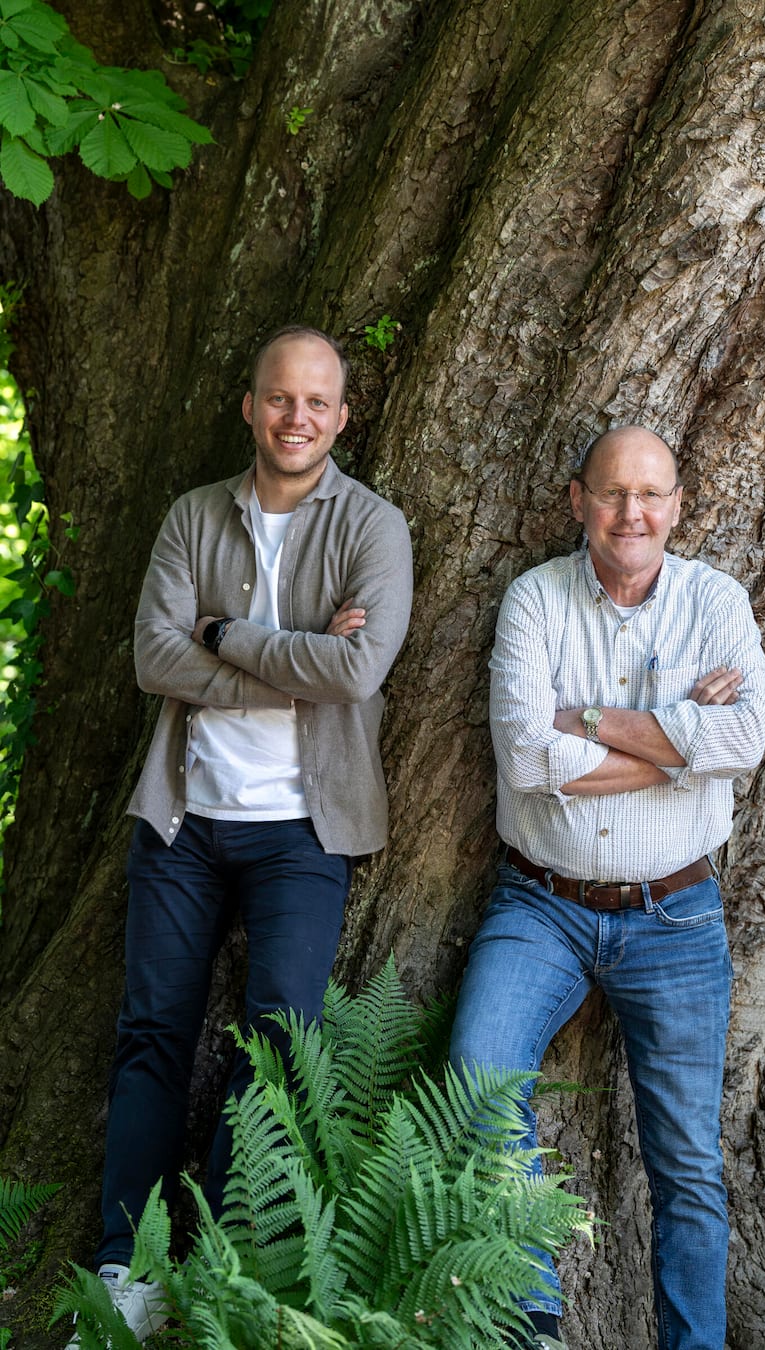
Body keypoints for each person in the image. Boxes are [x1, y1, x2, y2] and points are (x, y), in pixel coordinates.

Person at [74, 326, 414, 1344]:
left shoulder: (374, 528)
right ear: (250, 406)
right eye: (278, 398)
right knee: (151, 1042)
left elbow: (359, 674)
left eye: (316, 401)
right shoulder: (192, 517)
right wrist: (291, 659)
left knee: (275, 1051)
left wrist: (221, 637)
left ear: (341, 415)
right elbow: (150, 657)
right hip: (182, 822)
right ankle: (125, 1276)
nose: (295, 417)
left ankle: (218, 1268)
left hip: (303, 834)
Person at [449, 425, 765, 1350]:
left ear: (678, 505)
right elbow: (525, 754)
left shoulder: (717, 603)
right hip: (540, 904)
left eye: (653, 494)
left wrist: (586, 719)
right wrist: (676, 746)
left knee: (687, 1167)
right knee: (477, 1077)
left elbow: (743, 744)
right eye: (614, 493)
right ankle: (533, 1317)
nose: (634, 513)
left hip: (676, 913)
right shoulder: (536, 601)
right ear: (578, 500)